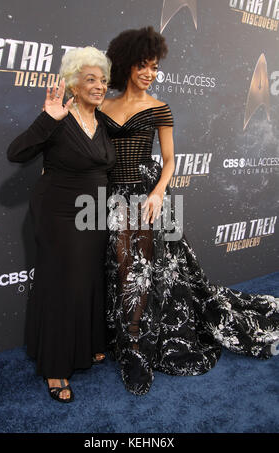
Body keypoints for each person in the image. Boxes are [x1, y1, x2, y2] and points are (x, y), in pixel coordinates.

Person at [100, 26, 279, 396]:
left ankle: (137, 352)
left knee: (141, 272)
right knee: (121, 272)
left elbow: (169, 161)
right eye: (142, 65)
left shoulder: (159, 108)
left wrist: (157, 194)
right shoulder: (102, 105)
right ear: (125, 65)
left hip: (146, 194)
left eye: (154, 67)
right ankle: (126, 340)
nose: (149, 73)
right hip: (112, 197)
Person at [7, 47, 115, 402]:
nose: (99, 86)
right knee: (61, 284)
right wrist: (47, 120)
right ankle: (55, 366)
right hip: (58, 213)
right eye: (90, 80)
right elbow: (16, 153)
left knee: (89, 279)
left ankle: (87, 345)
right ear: (72, 83)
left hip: (94, 213)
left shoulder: (102, 123)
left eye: (102, 80)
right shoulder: (58, 118)